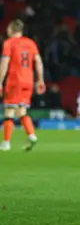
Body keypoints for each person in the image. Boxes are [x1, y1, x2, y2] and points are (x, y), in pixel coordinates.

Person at [0, 19, 45, 151]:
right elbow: (38, 61)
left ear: (12, 29)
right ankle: (31, 135)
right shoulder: (30, 43)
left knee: (9, 111)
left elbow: (4, 64)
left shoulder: (9, 43)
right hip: (28, 81)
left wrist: (0, 81)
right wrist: (40, 79)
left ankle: (6, 143)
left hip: (15, 81)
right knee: (22, 111)